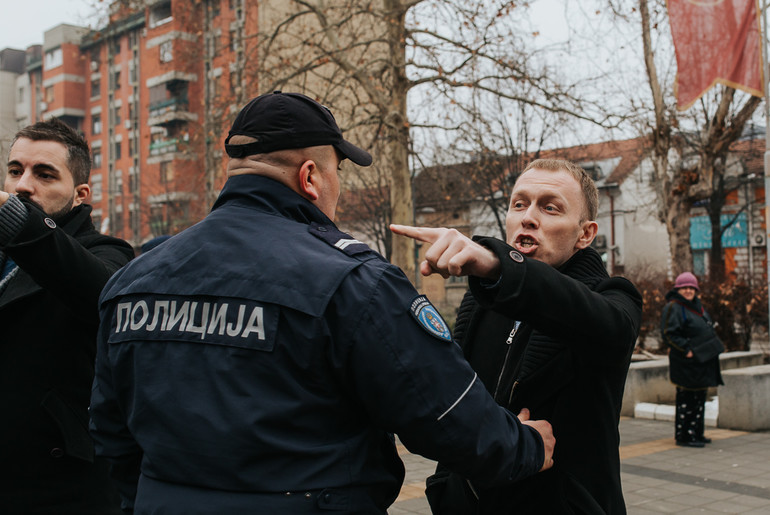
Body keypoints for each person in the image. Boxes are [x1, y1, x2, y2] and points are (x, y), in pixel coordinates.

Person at [89, 91, 555, 514]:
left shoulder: (137, 276)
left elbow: (110, 433)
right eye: (338, 175)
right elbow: (450, 420)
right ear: (311, 177)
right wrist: (525, 446)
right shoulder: (354, 281)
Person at [391, 158, 643, 514]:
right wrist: (451, 484)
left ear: (585, 233)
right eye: (519, 204)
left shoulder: (614, 299)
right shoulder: (481, 304)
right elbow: (446, 396)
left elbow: (604, 324)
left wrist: (497, 264)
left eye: (550, 208)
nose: (528, 217)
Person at [0, 118, 133, 513]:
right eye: (14, 171)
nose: (23, 185)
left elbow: (96, 290)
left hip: (61, 486)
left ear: (79, 194)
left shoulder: (108, 252)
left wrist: (16, 220)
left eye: (44, 174)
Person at [660, 272, 723, 448]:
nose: (688, 291)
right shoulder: (674, 307)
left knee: (699, 399)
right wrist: (686, 350)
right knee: (687, 400)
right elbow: (668, 333)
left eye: (691, 288)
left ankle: (697, 433)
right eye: (684, 288)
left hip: (702, 361)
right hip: (686, 363)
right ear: (678, 290)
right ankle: (685, 436)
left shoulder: (697, 306)